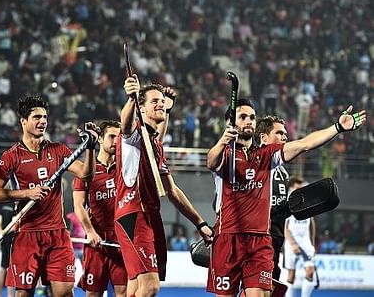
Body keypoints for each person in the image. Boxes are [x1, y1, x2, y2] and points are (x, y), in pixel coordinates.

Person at [206, 99, 365, 297]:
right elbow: (211, 162)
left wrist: (337, 127)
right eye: (243, 117)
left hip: (261, 241)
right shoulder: (225, 153)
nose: (248, 121)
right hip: (229, 238)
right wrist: (223, 140)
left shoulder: (267, 154)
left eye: (252, 117)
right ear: (231, 122)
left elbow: (304, 144)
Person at [0, 95, 98, 297]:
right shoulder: (12, 156)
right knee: (23, 294)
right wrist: (26, 193)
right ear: (23, 121)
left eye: (44, 117)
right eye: (36, 117)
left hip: (57, 234)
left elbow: (86, 174)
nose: (42, 121)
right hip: (27, 233)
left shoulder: (59, 150)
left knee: (64, 293)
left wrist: (90, 148)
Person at [114, 76, 213, 297]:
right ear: (141, 107)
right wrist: (131, 98)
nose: (160, 104)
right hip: (133, 215)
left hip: (149, 216)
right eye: (154, 101)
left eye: (162, 101)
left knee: (135, 288)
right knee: (150, 287)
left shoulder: (155, 144)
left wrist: (200, 222)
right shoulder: (132, 136)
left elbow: (172, 190)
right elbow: (125, 124)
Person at [72, 120, 127, 297]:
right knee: (93, 293)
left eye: (119, 137)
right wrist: (90, 231)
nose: (116, 141)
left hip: (121, 239)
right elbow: (78, 205)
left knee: (123, 292)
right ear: (101, 140)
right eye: (111, 136)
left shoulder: (127, 167)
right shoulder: (87, 170)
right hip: (97, 240)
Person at [255, 115, 292, 281]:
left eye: (285, 133)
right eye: (279, 133)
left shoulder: (283, 172)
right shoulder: (252, 163)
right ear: (264, 137)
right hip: (256, 243)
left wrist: (289, 209)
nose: (285, 137)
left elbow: (279, 207)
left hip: (276, 243)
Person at [284, 177, 317, 297]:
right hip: (292, 242)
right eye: (298, 187)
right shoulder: (287, 202)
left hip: (305, 241)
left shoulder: (307, 201)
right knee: (291, 274)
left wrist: (312, 244)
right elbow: (284, 226)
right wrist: (292, 244)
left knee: (310, 272)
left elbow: (312, 223)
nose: (300, 189)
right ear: (292, 187)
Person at [0, 203, 15, 297]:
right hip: (11, 240)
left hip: (4, 239)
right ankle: (10, 295)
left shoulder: (2, 205)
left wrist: (0, 235)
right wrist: (2, 234)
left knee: (3, 267)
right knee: (9, 268)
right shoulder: (16, 205)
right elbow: (15, 225)